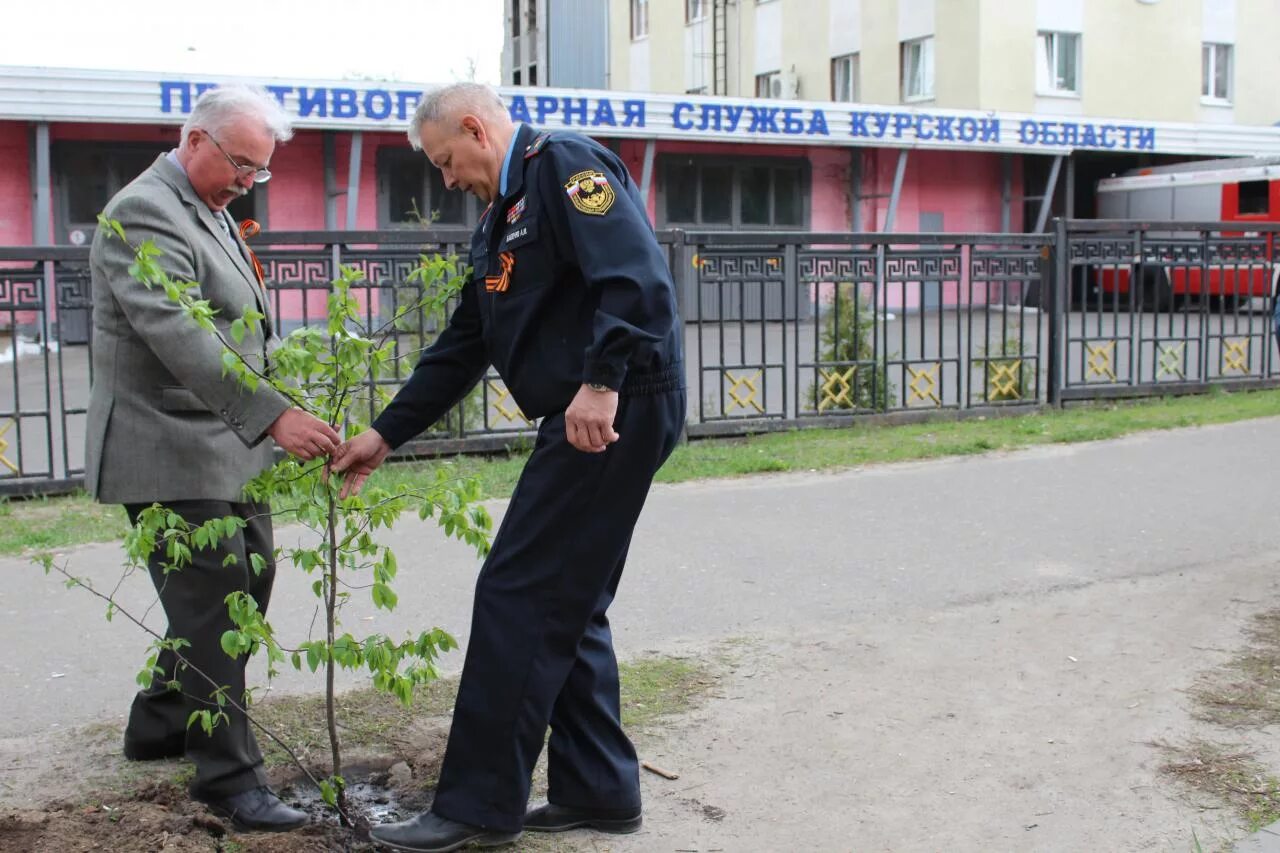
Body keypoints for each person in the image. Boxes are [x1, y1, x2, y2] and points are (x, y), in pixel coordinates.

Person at [331, 82, 685, 852]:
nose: (446, 178)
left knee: (517, 592)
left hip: (611, 407)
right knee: (568, 595)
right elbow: (465, 341)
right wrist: (385, 435)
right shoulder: (499, 218)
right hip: (593, 408)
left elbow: (637, 279)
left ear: (473, 127)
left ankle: (476, 807)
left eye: (445, 160)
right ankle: (599, 789)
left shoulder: (562, 164)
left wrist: (600, 383)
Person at [85, 85, 340, 832]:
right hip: (161, 441)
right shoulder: (142, 212)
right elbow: (182, 338)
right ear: (194, 140)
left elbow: (242, 326)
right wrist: (275, 416)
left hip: (220, 438)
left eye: (258, 171)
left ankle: (161, 718)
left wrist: (280, 410)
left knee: (247, 580)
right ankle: (230, 777)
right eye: (240, 164)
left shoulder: (210, 208)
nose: (246, 181)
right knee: (217, 595)